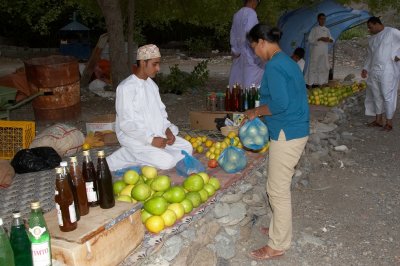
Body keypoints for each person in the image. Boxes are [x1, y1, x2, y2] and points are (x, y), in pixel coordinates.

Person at [243, 24, 309, 260]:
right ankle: (277, 229)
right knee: (279, 186)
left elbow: (280, 104)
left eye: (253, 48)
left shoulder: (273, 66)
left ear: (262, 42)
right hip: (295, 128)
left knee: (277, 189)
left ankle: (278, 243)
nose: (254, 53)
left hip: (287, 132)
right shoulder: (287, 62)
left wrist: (255, 112)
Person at [106, 44, 193, 171]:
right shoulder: (125, 88)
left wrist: (167, 130)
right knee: (167, 162)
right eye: (154, 64)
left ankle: (144, 155)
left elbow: (161, 112)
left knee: (187, 147)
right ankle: (128, 154)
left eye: (158, 64)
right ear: (142, 63)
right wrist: (150, 139)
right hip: (135, 138)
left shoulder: (152, 85)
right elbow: (126, 124)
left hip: (157, 134)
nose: (158, 68)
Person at [361, 17, 400, 131]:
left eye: (370, 27)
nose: (369, 30)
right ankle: (378, 120)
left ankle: (389, 122)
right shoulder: (372, 39)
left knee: (387, 95)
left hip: (387, 70)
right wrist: (365, 68)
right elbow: (370, 56)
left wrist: (398, 55)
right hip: (374, 70)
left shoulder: (391, 32)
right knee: (376, 95)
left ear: (377, 24)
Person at [228, 0, 264, 89]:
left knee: (238, 84)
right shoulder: (251, 14)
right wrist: (258, 55)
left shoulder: (237, 14)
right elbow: (250, 36)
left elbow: (233, 35)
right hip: (250, 57)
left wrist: (235, 51)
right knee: (251, 87)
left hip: (239, 56)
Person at [305, 13, 334, 87]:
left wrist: (329, 39)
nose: (323, 20)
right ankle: (310, 83)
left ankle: (320, 83)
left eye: (324, 19)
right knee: (313, 66)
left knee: (323, 66)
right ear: (318, 19)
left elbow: (331, 39)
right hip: (315, 51)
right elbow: (310, 40)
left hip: (324, 51)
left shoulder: (327, 30)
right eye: (321, 19)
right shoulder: (314, 29)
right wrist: (320, 38)